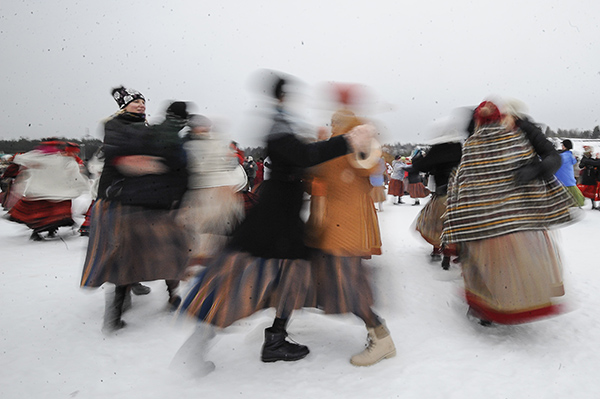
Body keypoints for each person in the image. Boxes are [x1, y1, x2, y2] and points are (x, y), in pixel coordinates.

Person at [178, 74, 374, 366]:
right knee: (239, 281)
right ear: (281, 97)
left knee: (290, 277)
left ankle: (275, 339)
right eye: (289, 94)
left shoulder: (283, 123)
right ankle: (196, 350)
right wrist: (345, 141)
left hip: (283, 218)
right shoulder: (278, 126)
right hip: (272, 220)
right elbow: (302, 156)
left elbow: (303, 160)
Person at [442, 100, 574, 325]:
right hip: (485, 207)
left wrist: (535, 170)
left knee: (516, 258)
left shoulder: (525, 130)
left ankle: (513, 302)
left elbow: (552, 157)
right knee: (486, 255)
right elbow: (470, 166)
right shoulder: (478, 135)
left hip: (522, 206)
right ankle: (485, 304)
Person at [80, 86, 190, 332]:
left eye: (143, 102)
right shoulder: (115, 126)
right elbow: (128, 154)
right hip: (122, 199)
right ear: (123, 106)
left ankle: (172, 296)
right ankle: (116, 311)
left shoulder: (146, 128)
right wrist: (155, 154)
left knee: (166, 248)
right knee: (126, 256)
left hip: (150, 197)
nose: (141, 105)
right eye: (135, 102)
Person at [306, 108, 395, 367]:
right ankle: (378, 332)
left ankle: (381, 338)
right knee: (342, 283)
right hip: (335, 228)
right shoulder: (334, 146)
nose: (333, 123)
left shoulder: (356, 146)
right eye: (333, 120)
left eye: (338, 120)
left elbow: (372, 165)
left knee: (349, 285)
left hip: (347, 229)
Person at [176, 114, 245, 266]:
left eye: (206, 126)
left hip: (217, 192)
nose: (204, 129)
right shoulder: (191, 145)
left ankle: (218, 257)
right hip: (204, 191)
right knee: (196, 227)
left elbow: (230, 163)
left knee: (216, 227)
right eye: (200, 126)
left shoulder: (214, 142)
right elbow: (198, 167)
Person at [7, 139, 90, 240]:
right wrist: (84, 185)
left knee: (41, 216)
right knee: (54, 216)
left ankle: (41, 231)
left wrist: (15, 157)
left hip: (40, 193)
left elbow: (21, 158)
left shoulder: (39, 156)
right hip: (56, 194)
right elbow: (75, 175)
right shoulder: (66, 161)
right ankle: (48, 230)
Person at [412, 114, 465, 268]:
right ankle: (455, 252)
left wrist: (418, 160)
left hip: (443, 192)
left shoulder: (439, 149)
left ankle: (438, 251)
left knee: (433, 222)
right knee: (457, 223)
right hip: (460, 193)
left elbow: (422, 166)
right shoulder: (459, 147)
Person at [555, 139, 585, 207]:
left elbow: (553, 161)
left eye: (562, 145)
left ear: (564, 146)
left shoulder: (563, 156)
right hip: (570, 181)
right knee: (576, 200)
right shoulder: (570, 155)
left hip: (562, 182)